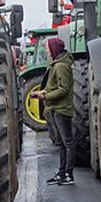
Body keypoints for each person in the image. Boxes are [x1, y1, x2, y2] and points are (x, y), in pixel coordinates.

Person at [33, 37, 75, 185]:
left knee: (67, 142)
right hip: (55, 108)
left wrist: (44, 95)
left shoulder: (61, 66)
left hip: (61, 109)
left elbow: (63, 89)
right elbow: (56, 87)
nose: (47, 52)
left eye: (48, 49)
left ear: (54, 49)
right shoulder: (56, 65)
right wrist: (44, 92)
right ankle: (62, 172)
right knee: (61, 143)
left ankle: (69, 174)